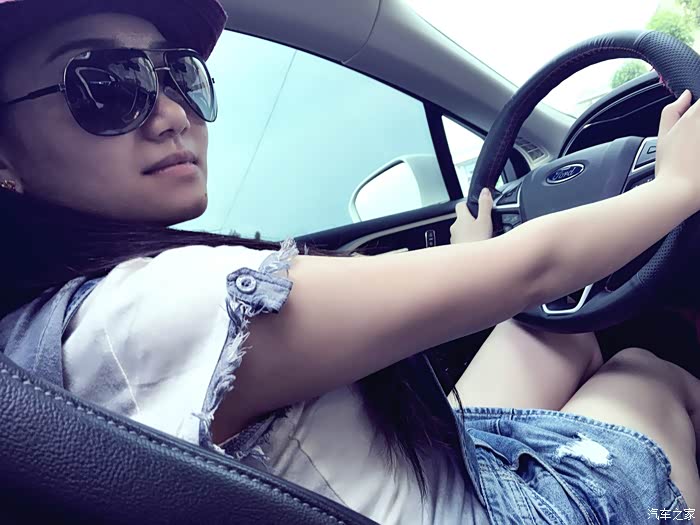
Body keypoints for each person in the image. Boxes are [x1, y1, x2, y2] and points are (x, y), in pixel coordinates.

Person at [0, 1, 698, 524]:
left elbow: (514, 284)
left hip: (409, 479)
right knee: (647, 374)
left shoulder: (45, 334)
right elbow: (534, 270)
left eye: (177, 73)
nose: (174, 113)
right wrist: (673, 188)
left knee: (557, 333)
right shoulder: (147, 309)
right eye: (105, 84)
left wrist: (470, 263)